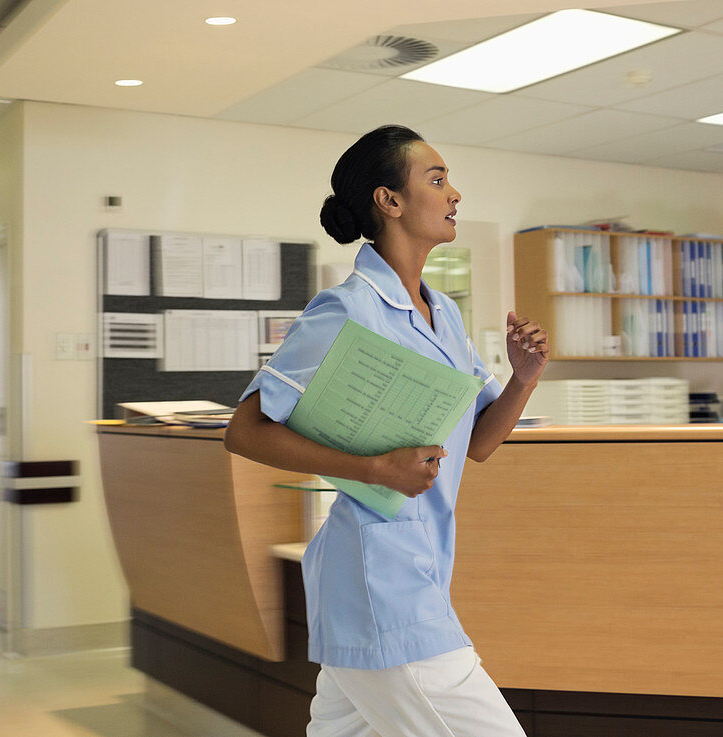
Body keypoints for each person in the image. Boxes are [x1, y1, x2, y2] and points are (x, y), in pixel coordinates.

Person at [223, 124, 548, 737]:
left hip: (411, 575)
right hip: (382, 583)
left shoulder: (443, 311)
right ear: (389, 201)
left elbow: (475, 444)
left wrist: (523, 379)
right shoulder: (345, 309)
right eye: (437, 178)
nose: (455, 194)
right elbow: (244, 430)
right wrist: (374, 469)